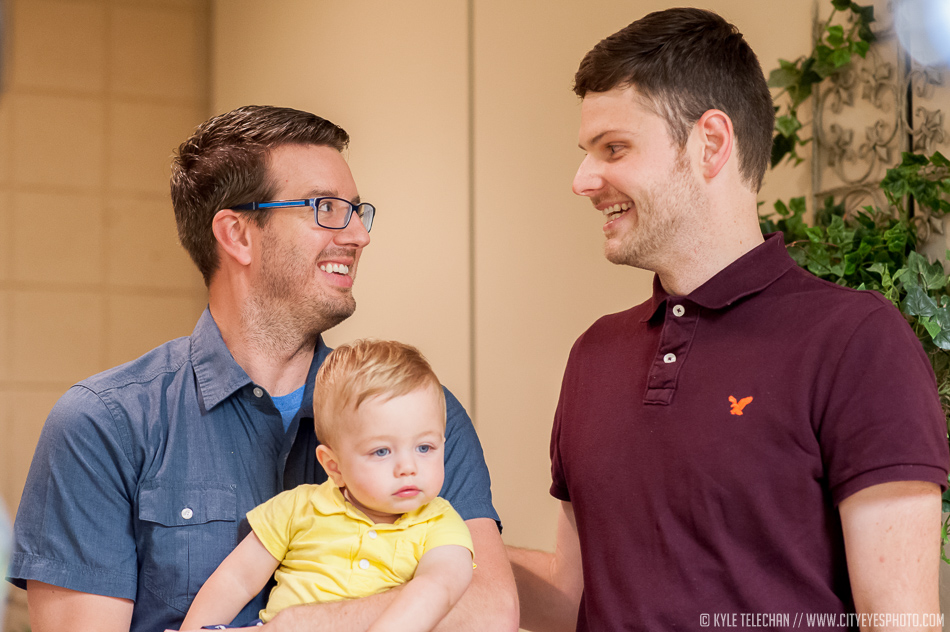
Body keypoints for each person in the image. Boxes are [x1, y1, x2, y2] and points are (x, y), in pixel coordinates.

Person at [508, 8, 949, 632]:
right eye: (587, 152)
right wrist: (430, 545)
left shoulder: (857, 341)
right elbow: (573, 597)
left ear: (710, 142)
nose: (583, 179)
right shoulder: (595, 353)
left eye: (614, 148)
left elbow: (902, 623)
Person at [7, 105, 518, 632]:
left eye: (356, 211)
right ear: (237, 234)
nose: (358, 236)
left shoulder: (421, 411)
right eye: (325, 207)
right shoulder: (103, 425)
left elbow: (487, 611)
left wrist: (292, 628)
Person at [180, 339, 474, 631]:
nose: (408, 468)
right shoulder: (299, 507)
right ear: (334, 466)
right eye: (381, 451)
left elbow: (438, 588)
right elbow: (237, 579)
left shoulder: (440, 523)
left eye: (424, 448)